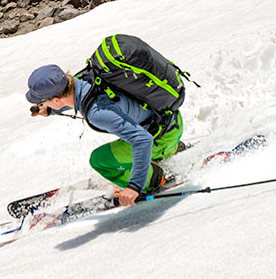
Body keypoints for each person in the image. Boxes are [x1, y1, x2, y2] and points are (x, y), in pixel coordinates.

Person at [26, 62, 185, 206]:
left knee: (100, 160)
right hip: (171, 121)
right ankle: (167, 150)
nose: (41, 104)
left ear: (56, 99)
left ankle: (155, 179)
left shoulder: (97, 113)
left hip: (161, 137)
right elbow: (79, 97)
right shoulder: (85, 78)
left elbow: (142, 140)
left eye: (42, 101)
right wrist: (50, 110)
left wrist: (134, 186)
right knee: (129, 137)